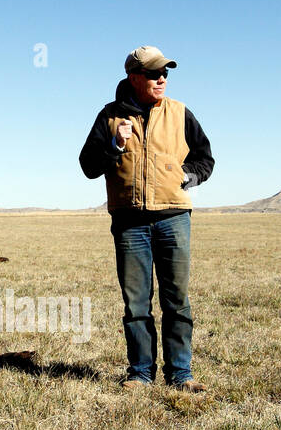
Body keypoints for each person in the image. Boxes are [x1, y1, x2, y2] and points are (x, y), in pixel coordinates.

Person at [79, 46, 214, 392]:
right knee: (136, 303)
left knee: (176, 299)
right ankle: (140, 373)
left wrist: (188, 176)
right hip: (129, 222)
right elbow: (89, 166)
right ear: (134, 78)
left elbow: (205, 158)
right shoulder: (109, 117)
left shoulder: (180, 113)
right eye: (155, 73)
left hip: (173, 218)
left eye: (165, 73)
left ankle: (181, 374)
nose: (162, 79)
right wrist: (115, 143)